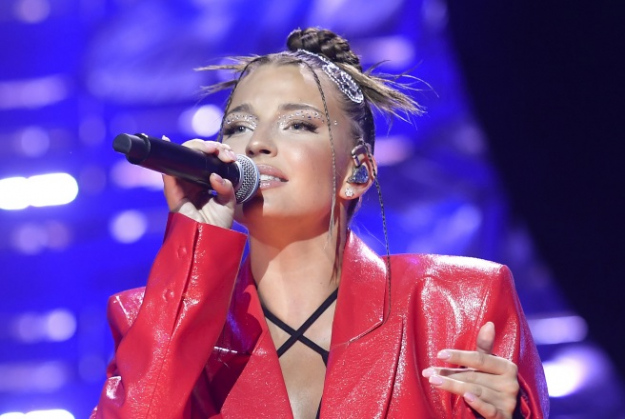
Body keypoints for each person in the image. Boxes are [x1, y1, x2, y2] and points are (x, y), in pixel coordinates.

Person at [92, 28, 549, 418]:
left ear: (358, 173)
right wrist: (194, 244)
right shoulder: (148, 319)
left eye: (298, 125)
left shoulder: (457, 302)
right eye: (237, 127)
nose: (257, 144)